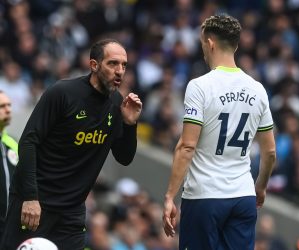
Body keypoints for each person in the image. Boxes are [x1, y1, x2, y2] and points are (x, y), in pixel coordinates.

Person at [0, 38, 142, 250]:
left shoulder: (115, 104)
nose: (120, 70)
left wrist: (130, 124)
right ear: (94, 65)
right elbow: (29, 141)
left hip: (72, 214)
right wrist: (30, 197)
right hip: (36, 204)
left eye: (124, 65)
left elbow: (124, 157)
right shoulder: (63, 93)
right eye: (113, 63)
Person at [162, 15, 276, 250]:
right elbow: (270, 152)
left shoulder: (200, 86)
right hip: (243, 196)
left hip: (205, 197)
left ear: (210, 43)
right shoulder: (258, 90)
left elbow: (187, 146)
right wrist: (260, 186)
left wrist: (169, 196)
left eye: (203, 43)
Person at [0, 91, 18, 236]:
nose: (8, 109)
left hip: (10, 225)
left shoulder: (13, 143)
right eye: (2, 106)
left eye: (9, 105)